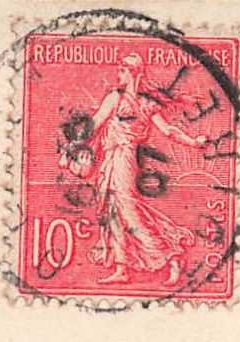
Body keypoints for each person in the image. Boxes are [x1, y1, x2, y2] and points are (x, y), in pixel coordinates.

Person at [65, 53, 210, 287]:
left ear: (133, 72)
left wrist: (193, 142)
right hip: (110, 159)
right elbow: (94, 125)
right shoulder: (114, 97)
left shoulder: (146, 104)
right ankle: (121, 268)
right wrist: (75, 145)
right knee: (112, 211)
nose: (118, 74)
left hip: (125, 159)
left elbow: (169, 130)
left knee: (129, 212)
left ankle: (171, 255)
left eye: (122, 70)